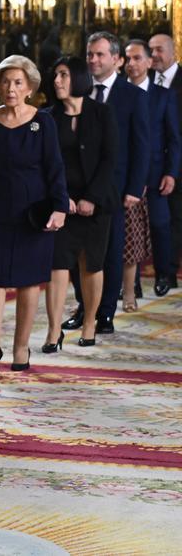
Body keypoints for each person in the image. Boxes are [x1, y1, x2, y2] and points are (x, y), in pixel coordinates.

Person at [0, 55, 68, 371]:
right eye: (5, 82)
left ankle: (21, 348)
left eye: (18, 82)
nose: (11, 88)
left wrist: (61, 207)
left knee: (29, 282)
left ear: (30, 87)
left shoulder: (44, 122)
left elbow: (55, 169)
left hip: (34, 216)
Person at [43, 56, 117, 351]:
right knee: (56, 266)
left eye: (63, 75)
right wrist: (64, 199)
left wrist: (91, 198)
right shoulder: (48, 116)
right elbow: (46, 164)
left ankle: (89, 325)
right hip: (61, 205)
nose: (57, 81)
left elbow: (110, 159)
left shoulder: (102, 113)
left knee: (91, 265)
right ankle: (52, 331)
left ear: (78, 78)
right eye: (55, 75)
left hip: (97, 205)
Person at [85, 32, 149, 333]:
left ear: (116, 59)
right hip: (83, 188)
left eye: (99, 55)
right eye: (90, 54)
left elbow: (141, 145)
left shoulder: (133, 95)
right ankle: (86, 308)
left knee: (111, 253)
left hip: (118, 188)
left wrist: (135, 189)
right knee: (83, 253)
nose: (93, 60)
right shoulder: (80, 90)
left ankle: (105, 313)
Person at [125, 38, 180, 298]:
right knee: (129, 231)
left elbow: (173, 138)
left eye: (138, 58)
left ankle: (164, 275)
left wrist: (171, 172)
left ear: (148, 62)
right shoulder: (118, 94)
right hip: (125, 175)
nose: (132, 64)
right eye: (128, 59)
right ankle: (131, 283)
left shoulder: (163, 96)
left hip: (157, 174)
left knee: (160, 225)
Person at [149, 33, 182, 290]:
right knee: (162, 219)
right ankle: (165, 273)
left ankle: (169, 271)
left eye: (159, 50)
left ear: (172, 52)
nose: (154, 56)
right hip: (155, 163)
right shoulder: (144, 84)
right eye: (151, 51)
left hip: (178, 161)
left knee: (175, 218)